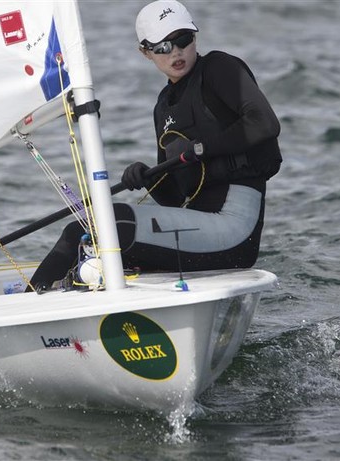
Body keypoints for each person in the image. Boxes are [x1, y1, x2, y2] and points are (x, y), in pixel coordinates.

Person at [28, 0, 281, 292]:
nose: (175, 51)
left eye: (182, 40)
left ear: (194, 36)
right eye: (162, 46)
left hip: (234, 229)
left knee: (114, 225)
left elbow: (265, 122)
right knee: (83, 231)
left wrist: (202, 148)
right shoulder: (163, 107)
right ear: (145, 53)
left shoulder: (219, 67)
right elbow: (174, 199)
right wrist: (149, 178)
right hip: (198, 225)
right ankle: (35, 305)